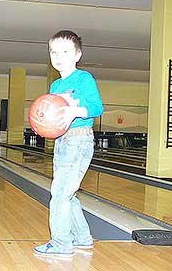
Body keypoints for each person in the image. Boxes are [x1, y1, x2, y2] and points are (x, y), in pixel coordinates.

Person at [33, 30, 104, 258]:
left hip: (79, 139)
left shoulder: (83, 78)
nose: (59, 56)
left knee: (60, 194)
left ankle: (62, 244)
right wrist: (43, 125)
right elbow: (53, 117)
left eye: (65, 51)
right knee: (67, 193)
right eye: (54, 52)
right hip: (63, 142)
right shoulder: (55, 86)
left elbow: (97, 107)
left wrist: (75, 109)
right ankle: (82, 238)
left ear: (77, 54)